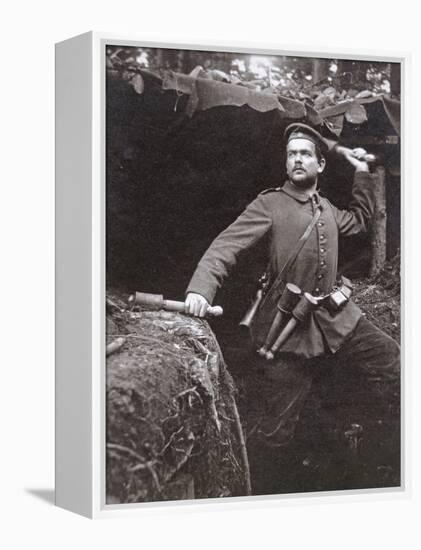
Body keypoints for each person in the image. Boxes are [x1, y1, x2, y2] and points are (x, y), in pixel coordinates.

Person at [184, 123, 400, 476]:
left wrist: (362, 174)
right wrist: (200, 289)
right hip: (286, 331)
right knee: (274, 433)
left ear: (321, 165)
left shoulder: (327, 208)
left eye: (305, 154)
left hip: (336, 320)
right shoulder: (269, 204)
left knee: (391, 360)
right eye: (292, 155)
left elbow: (361, 222)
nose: (297, 159)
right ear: (286, 164)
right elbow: (225, 246)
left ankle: (379, 459)